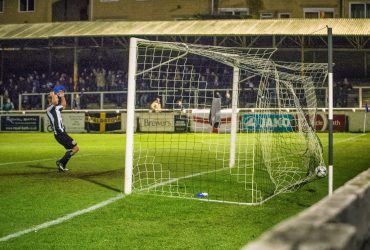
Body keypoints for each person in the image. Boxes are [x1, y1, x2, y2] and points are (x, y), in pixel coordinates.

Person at [46, 90, 79, 172]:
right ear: (51, 99)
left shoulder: (56, 108)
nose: (58, 100)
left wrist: (62, 96)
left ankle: (62, 165)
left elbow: (64, 105)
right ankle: (60, 162)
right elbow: (54, 102)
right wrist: (53, 94)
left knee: (72, 149)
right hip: (59, 134)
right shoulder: (49, 109)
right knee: (76, 148)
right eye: (57, 98)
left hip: (62, 133)